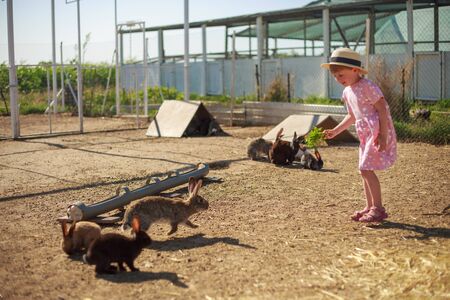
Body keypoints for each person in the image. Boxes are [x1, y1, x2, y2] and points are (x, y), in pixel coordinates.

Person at [321, 48, 397, 222]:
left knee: (365, 168)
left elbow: (382, 109)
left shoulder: (367, 86)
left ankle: (378, 209)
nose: (338, 79)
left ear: (355, 70)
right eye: (335, 76)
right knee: (363, 170)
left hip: (376, 130)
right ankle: (369, 206)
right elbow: (352, 116)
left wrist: (383, 135)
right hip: (364, 133)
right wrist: (336, 130)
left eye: (340, 75)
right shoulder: (347, 91)